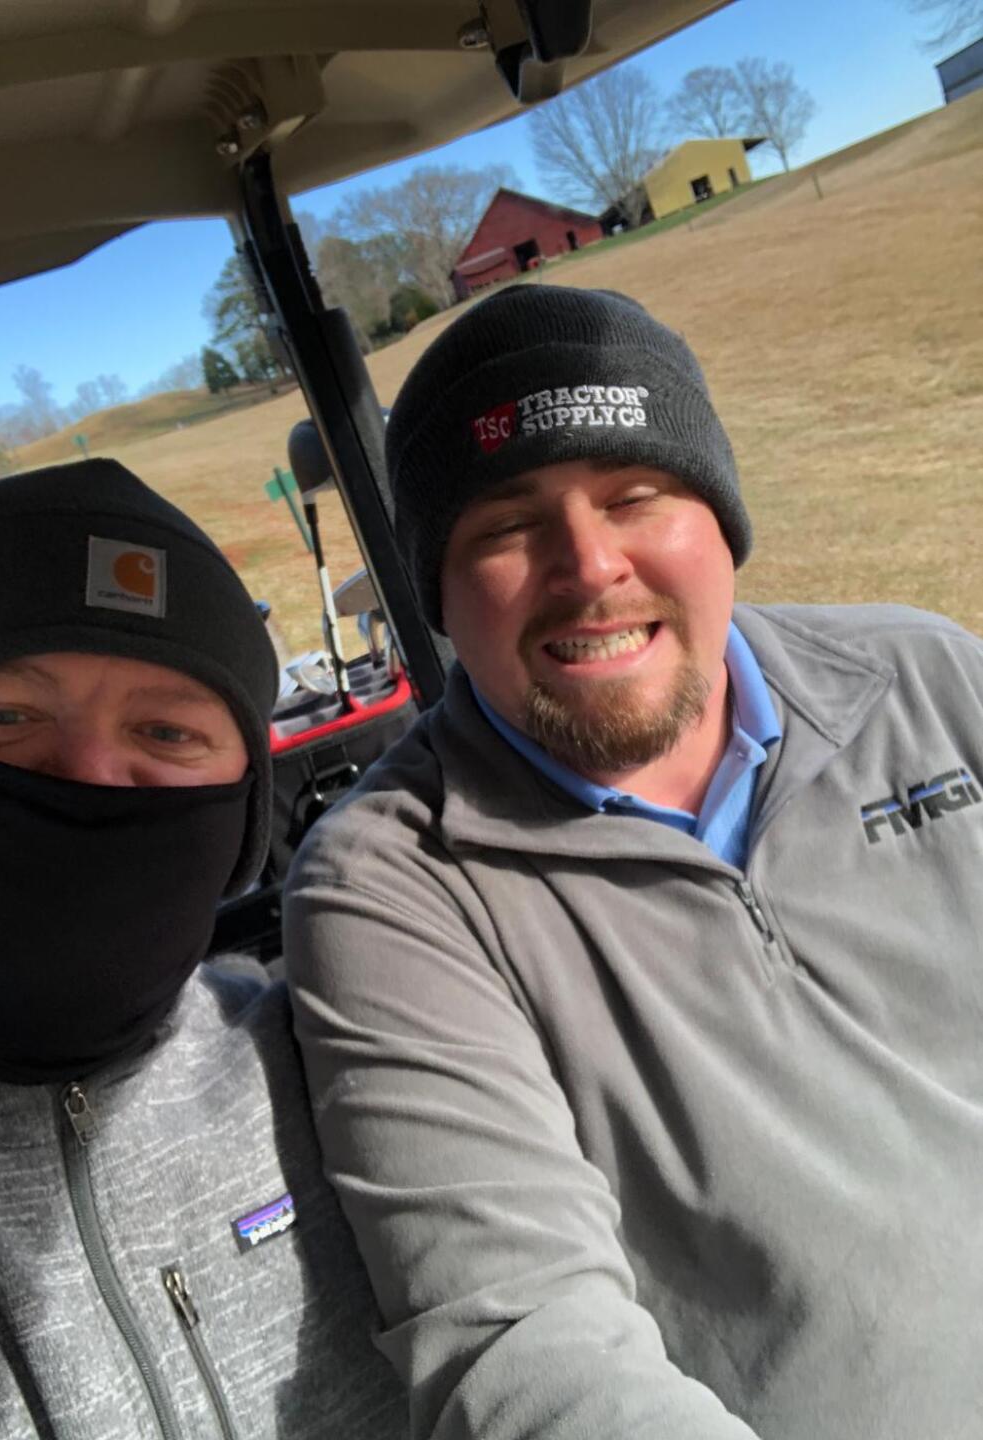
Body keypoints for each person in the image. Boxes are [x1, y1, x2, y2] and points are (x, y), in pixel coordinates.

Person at [284, 284, 983, 1440]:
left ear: (721, 523)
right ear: (439, 595)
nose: (588, 565)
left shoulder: (926, 679)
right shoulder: (392, 885)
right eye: (505, 524)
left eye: (635, 496)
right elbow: (523, 1343)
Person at [0, 459, 405, 1440]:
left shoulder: (332, 1064)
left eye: (168, 732)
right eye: (2, 718)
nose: (91, 776)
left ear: (244, 815)